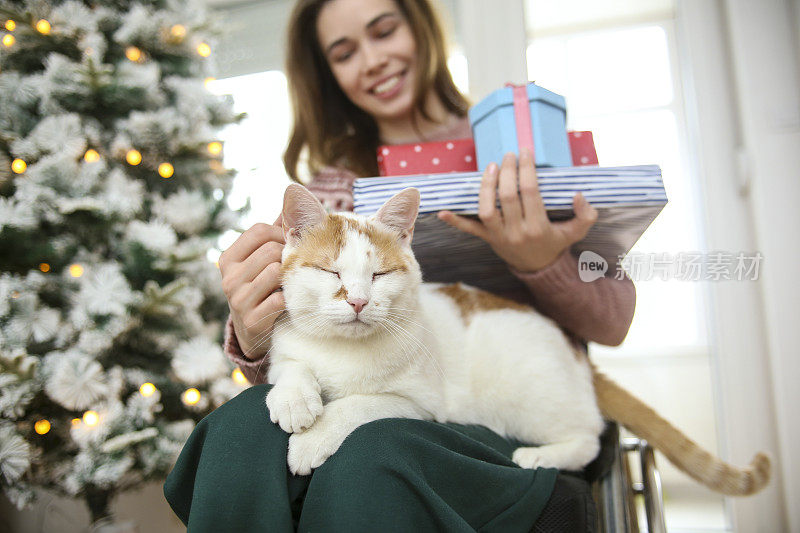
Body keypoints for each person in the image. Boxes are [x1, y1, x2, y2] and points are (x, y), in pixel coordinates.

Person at [164, 0, 635, 530]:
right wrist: (253, 337)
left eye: (383, 30)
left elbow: (615, 319)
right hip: (373, 377)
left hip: (483, 401)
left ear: (420, 28)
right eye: (344, 53)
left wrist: (544, 262)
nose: (371, 60)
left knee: (371, 459)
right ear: (329, 75)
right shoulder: (329, 192)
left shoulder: (521, 150)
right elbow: (300, 345)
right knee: (236, 430)